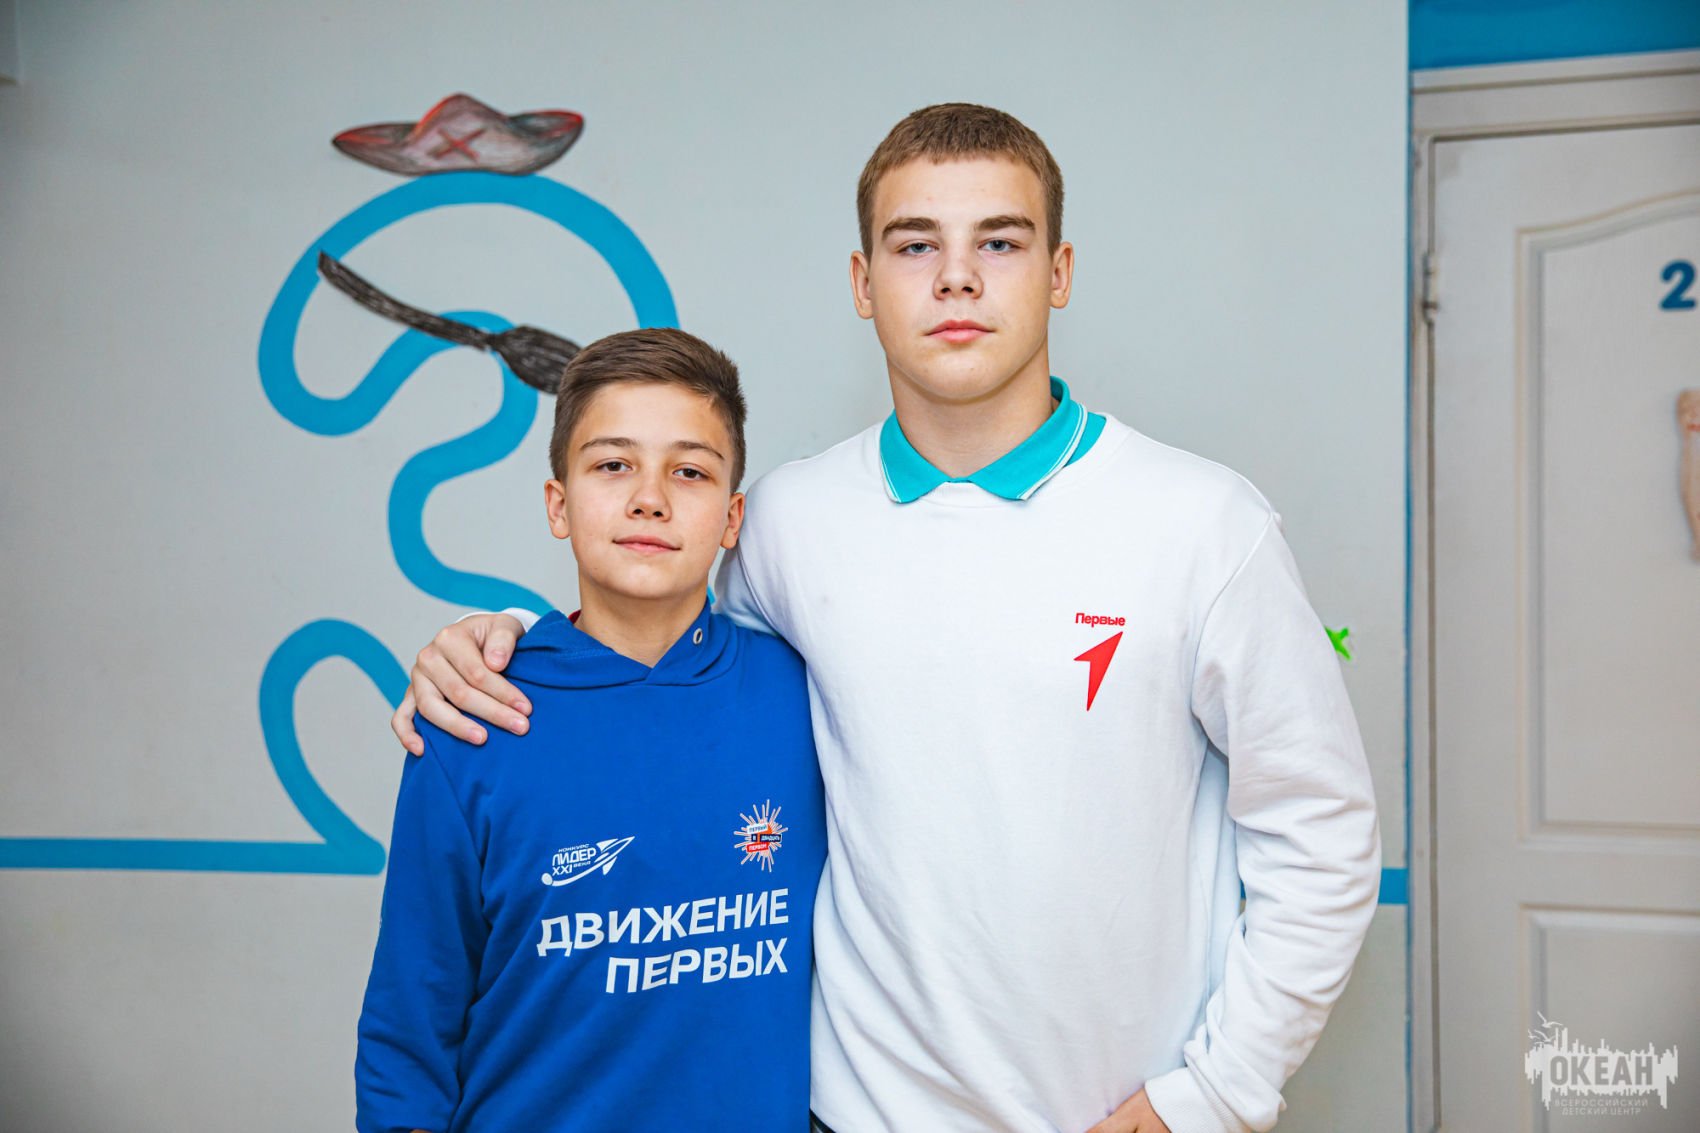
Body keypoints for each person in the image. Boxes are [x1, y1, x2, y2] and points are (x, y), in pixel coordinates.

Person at [395, 104, 1382, 1133]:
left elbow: (1320, 830)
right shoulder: (786, 521)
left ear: (1058, 272)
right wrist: (504, 643)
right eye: (916, 246)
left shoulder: (1204, 524)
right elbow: (668, 664)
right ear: (863, 283)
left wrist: (1213, 1092)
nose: (956, 278)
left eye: (998, 242)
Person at [356, 328, 826, 1133]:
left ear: (732, 517)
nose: (650, 497)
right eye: (613, 465)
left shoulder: (805, 696)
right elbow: (410, 1032)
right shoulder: (474, 714)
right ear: (558, 503)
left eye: (689, 470)